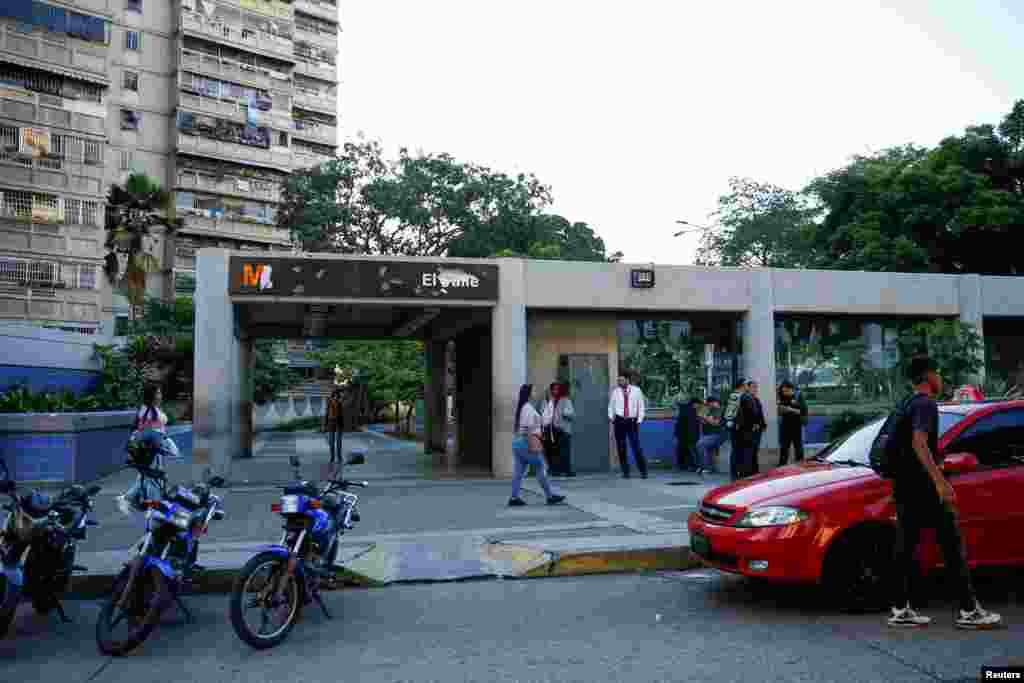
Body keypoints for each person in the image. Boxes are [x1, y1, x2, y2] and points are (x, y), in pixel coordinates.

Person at [887, 355, 1002, 630]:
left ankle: (901, 609)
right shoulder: (926, 404)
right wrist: (939, 481)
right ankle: (968, 611)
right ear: (928, 376)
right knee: (951, 546)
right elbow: (919, 442)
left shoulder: (906, 403)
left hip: (904, 486)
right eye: (937, 373)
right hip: (924, 487)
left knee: (906, 547)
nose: (941, 378)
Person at [509, 384, 565, 507]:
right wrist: (534, 445)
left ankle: (514, 497)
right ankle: (550, 495)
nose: (535, 393)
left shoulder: (524, 407)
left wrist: (550, 401)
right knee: (541, 467)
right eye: (533, 391)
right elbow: (529, 429)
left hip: (519, 442)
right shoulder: (528, 408)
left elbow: (543, 420)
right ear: (529, 394)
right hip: (527, 441)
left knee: (518, 472)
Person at [608, 372, 648, 479]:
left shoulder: (636, 390)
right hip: (619, 421)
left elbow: (641, 406)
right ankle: (626, 472)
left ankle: (643, 471)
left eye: (621, 380)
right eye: (618, 380)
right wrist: (612, 418)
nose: (619, 382)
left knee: (636, 447)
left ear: (627, 380)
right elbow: (611, 406)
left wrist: (639, 420)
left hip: (632, 421)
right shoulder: (615, 392)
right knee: (621, 448)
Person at [542, 381, 576, 477]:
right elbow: (542, 413)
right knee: (552, 451)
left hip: (564, 430)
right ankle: (554, 470)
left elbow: (571, 414)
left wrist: (566, 414)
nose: (555, 391)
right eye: (554, 389)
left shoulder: (566, 400)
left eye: (557, 389)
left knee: (565, 451)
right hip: (551, 430)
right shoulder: (547, 400)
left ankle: (567, 470)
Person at [777, 380, 808, 466]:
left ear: (791, 389)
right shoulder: (782, 396)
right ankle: (782, 466)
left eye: (786, 391)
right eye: (783, 391)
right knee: (784, 448)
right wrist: (781, 409)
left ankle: (801, 465)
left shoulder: (798, 396)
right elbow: (780, 411)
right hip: (785, 425)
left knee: (798, 447)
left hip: (796, 425)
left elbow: (803, 411)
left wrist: (790, 409)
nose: (784, 393)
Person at [724, 379, 749, 480]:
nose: (747, 386)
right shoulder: (736, 395)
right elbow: (731, 412)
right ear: (742, 386)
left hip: (737, 426)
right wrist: (735, 423)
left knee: (738, 450)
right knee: (736, 450)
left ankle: (737, 472)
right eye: (746, 385)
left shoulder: (740, 395)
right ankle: (735, 473)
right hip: (736, 427)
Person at [695, 397, 725, 475]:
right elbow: (704, 422)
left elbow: (716, 423)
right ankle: (711, 467)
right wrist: (702, 417)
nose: (707, 405)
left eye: (709, 404)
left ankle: (706, 467)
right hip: (709, 434)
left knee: (700, 444)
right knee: (710, 450)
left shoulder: (719, 410)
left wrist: (705, 417)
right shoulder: (710, 410)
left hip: (717, 434)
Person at [675, 397, 703, 471]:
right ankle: (693, 465)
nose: (699, 407)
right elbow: (692, 426)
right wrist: (695, 436)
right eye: (699, 405)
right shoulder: (691, 411)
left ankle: (682, 465)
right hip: (688, 434)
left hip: (681, 433)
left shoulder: (684, 409)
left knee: (682, 449)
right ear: (695, 404)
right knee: (691, 450)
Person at [747, 381, 768, 474]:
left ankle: (755, 471)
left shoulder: (756, 400)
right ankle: (750, 472)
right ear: (748, 388)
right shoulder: (746, 399)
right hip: (749, 430)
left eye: (756, 387)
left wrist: (763, 425)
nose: (755, 389)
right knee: (750, 452)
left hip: (757, 430)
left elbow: (760, 414)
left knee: (755, 451)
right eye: (753, 387)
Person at [322, 387, 343, 464]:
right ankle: (332, 457)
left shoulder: (340, 403)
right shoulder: (329, 403)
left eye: (338, 396)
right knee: (331, 442)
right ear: (333, 395)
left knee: (339, 442)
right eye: (335, 395)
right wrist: (324, 425)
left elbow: (341, 415)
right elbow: (326, 414)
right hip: (331, 423)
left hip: (339, 424)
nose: (336, 397)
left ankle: (339, 458)